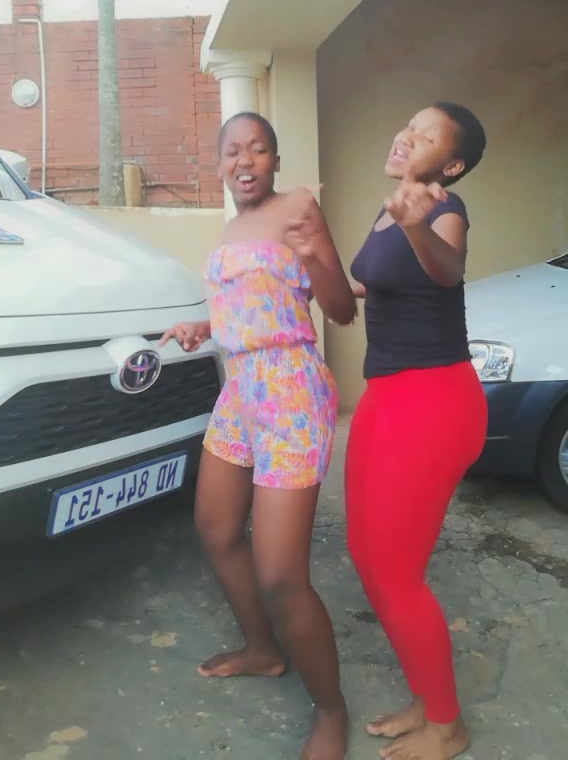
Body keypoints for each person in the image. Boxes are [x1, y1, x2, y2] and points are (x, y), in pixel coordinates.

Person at [161, 111, 356, 760]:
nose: (244, 161)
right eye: (232, 151)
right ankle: (263, 649)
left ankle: (331, 709)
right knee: (216, 530)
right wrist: (203, 326)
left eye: (258, 149)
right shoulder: (229, 229)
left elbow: (341, 309)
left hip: (291, 391)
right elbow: (244, 310)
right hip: (239, 390)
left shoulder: (298, 210)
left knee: (280, 573)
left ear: (275, 159)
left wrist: (315, 252)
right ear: (220, 164)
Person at [345, 102, 488, 760]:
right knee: (366, 555)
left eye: (426, 136)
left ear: (449, 166)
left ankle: (448, 725)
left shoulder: (442, 209)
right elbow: (373, 286)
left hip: (434, 401)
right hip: (386, 395)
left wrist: (414, 225)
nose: (406, 136)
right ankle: (428, 698)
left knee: (397, 573)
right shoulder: (391, 210)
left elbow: (447, 270)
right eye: (408, 125)